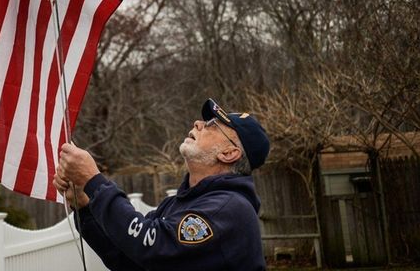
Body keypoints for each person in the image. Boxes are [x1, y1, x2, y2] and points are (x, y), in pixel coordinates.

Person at [54, 98, 270, 271]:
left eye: (213, 124)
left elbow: (153, 247)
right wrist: (84, 207)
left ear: (229, 153)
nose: (198, 123)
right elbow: (128, 259)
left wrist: (94, 181)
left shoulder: (231, 208)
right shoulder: (175, 205)